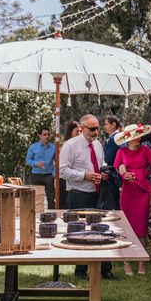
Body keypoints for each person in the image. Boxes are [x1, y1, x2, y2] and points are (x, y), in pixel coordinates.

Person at [59, 114, 114, 280]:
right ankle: (80, 271)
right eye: (92, 129)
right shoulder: (70, 145)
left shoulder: (97, 144)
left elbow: (100, 163)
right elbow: (62, 171)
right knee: (81, 232)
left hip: (98, 193)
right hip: (79, 194)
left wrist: (104, 173)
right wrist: (85, 175)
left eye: (97, 128)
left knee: (101, 229)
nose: (96, 132)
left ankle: (105, 269)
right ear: (82, 128)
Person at [113, 124, 151, 276]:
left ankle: (141, 261)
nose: (139, 139)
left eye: (139, 136)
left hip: (142, 192)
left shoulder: (146, 150)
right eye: (136, 137)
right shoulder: (121, 151)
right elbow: (119, 168)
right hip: (128, 193)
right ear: (128, 139)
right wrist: (124, 175)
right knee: (126, 227)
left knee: (141, 228)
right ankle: (126, 262)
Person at [26, 127, 56, 208]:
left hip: (49, 175)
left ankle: (52, 216)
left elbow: (57, 162)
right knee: (36, 198)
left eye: (48, 134)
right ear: (40, 136)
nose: (47, 136)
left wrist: (54, 174)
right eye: (44, 134)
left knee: (51, 198)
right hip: (36, 175)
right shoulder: (33, 147)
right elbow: (28, 160)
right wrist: (36, 163)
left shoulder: (54, 147)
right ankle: (35, 216)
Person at [60, 121, 81, 209]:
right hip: (65, 178)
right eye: (77, 131)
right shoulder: (67, 144)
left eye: (80, 131)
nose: (79, 133)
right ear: (70, 132)